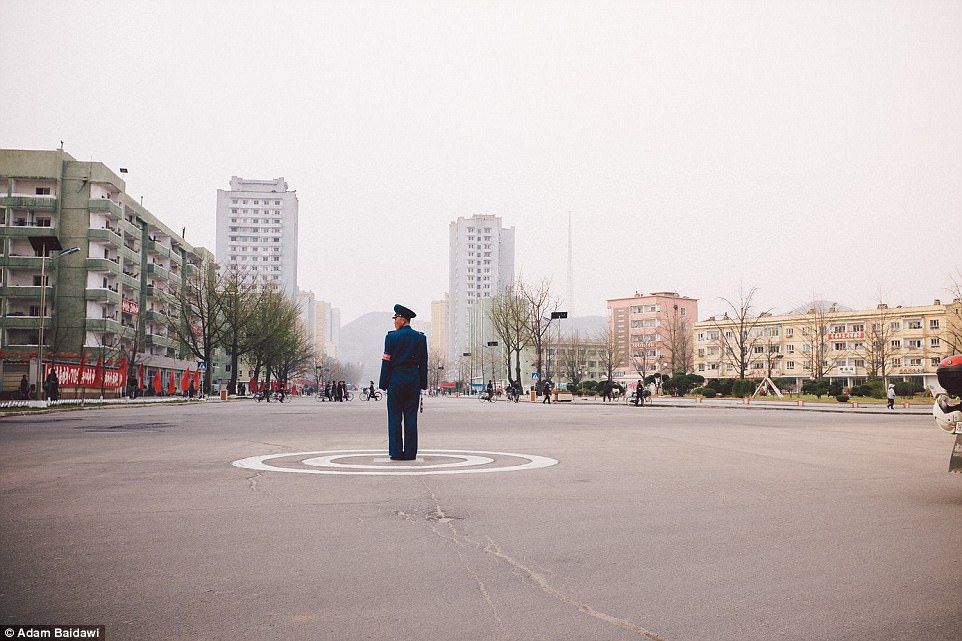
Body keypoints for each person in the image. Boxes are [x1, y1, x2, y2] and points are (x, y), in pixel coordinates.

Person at [379, 304, 428, 461]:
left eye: (395, 318)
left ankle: (396, 452)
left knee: (394, 417)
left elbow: (386, 361)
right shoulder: (420, 338)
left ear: (402, 319)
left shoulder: (391, 337)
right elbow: (424, 363)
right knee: (411, 417)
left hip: (396, 380)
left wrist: (383, 383)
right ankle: (410, 453)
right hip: (413, 380)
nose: (394, 322)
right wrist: (422, 384)